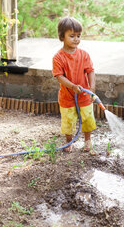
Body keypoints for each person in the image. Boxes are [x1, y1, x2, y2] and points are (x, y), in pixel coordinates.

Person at [52, 17, 96, 152]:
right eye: (72, 36)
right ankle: (69, 142)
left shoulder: (84, 55)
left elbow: (90, 71)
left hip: (84, 95)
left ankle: (87, 140)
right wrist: (72, 86)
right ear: (62, 36)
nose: (76, 39)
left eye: (78, 36)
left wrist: (92, 87)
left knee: (87, 118)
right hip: (67, 96)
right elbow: (59, 76)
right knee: (68, 121)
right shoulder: (58, 57)